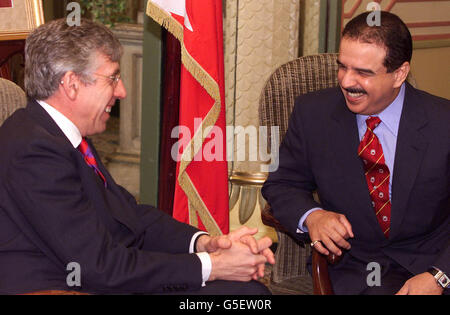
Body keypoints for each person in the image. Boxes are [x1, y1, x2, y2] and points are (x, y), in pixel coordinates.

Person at [0, 18, 275, 295]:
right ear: (71, 84)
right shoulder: (34, 150)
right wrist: (213, 266)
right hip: (66, 287)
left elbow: (129, 216)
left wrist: (205, 244)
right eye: (113, 78)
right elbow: (98, 266)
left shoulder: (63, 136)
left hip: (105, 275)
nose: (122, 92)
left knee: (243, 292)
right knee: (244, 296)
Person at [262, 11, 449, 295]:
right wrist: (313, 216)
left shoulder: (442, 122)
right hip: (356, 266)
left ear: (399, 73)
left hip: (434, 261)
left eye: (363, 72)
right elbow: (282, 184)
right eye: (343, 67)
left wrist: (439, 277)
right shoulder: (313, 114)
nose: (347, 82)